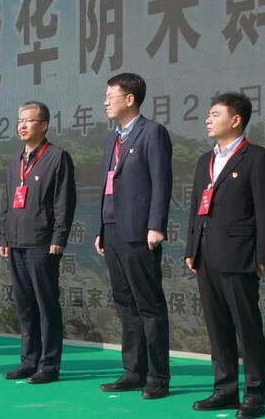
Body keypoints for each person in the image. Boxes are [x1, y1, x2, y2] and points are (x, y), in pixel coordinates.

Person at [185, 93, 265, 419]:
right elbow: (197, 208)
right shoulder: (204, 160)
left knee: (246, 327)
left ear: (235, 120)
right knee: (217, 327)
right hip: (206, 256)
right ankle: (224, 389)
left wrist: (264, 254)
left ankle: (255, 394)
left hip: (240, 257)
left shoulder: (256, 158)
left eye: (214, 114)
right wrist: (191, 249)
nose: (208, 120)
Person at [94, 73, 173, 398]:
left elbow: (161, 181)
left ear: (130, 99)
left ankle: (158, 377)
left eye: (111, 95)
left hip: (140, 232)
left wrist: (156, 225)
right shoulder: (113, 139)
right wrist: (101, 229)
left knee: (149, 305)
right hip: (112, 232)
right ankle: (133, 370)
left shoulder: (152, 132)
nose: (105, 101)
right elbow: (107, 187)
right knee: (125, 304)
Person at [0, 101, 76, 385]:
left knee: (46, 305)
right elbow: (7, 202)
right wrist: (3, 236)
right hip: (16, 243)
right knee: (24, 305)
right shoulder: (14, 162)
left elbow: (63, 202)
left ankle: (49, 365)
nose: (22, 125)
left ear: (43, 125)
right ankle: (28, 361)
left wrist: (58, 237)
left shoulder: (57, 157)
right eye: (19, 120)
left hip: (42, 243)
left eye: (28, 120)